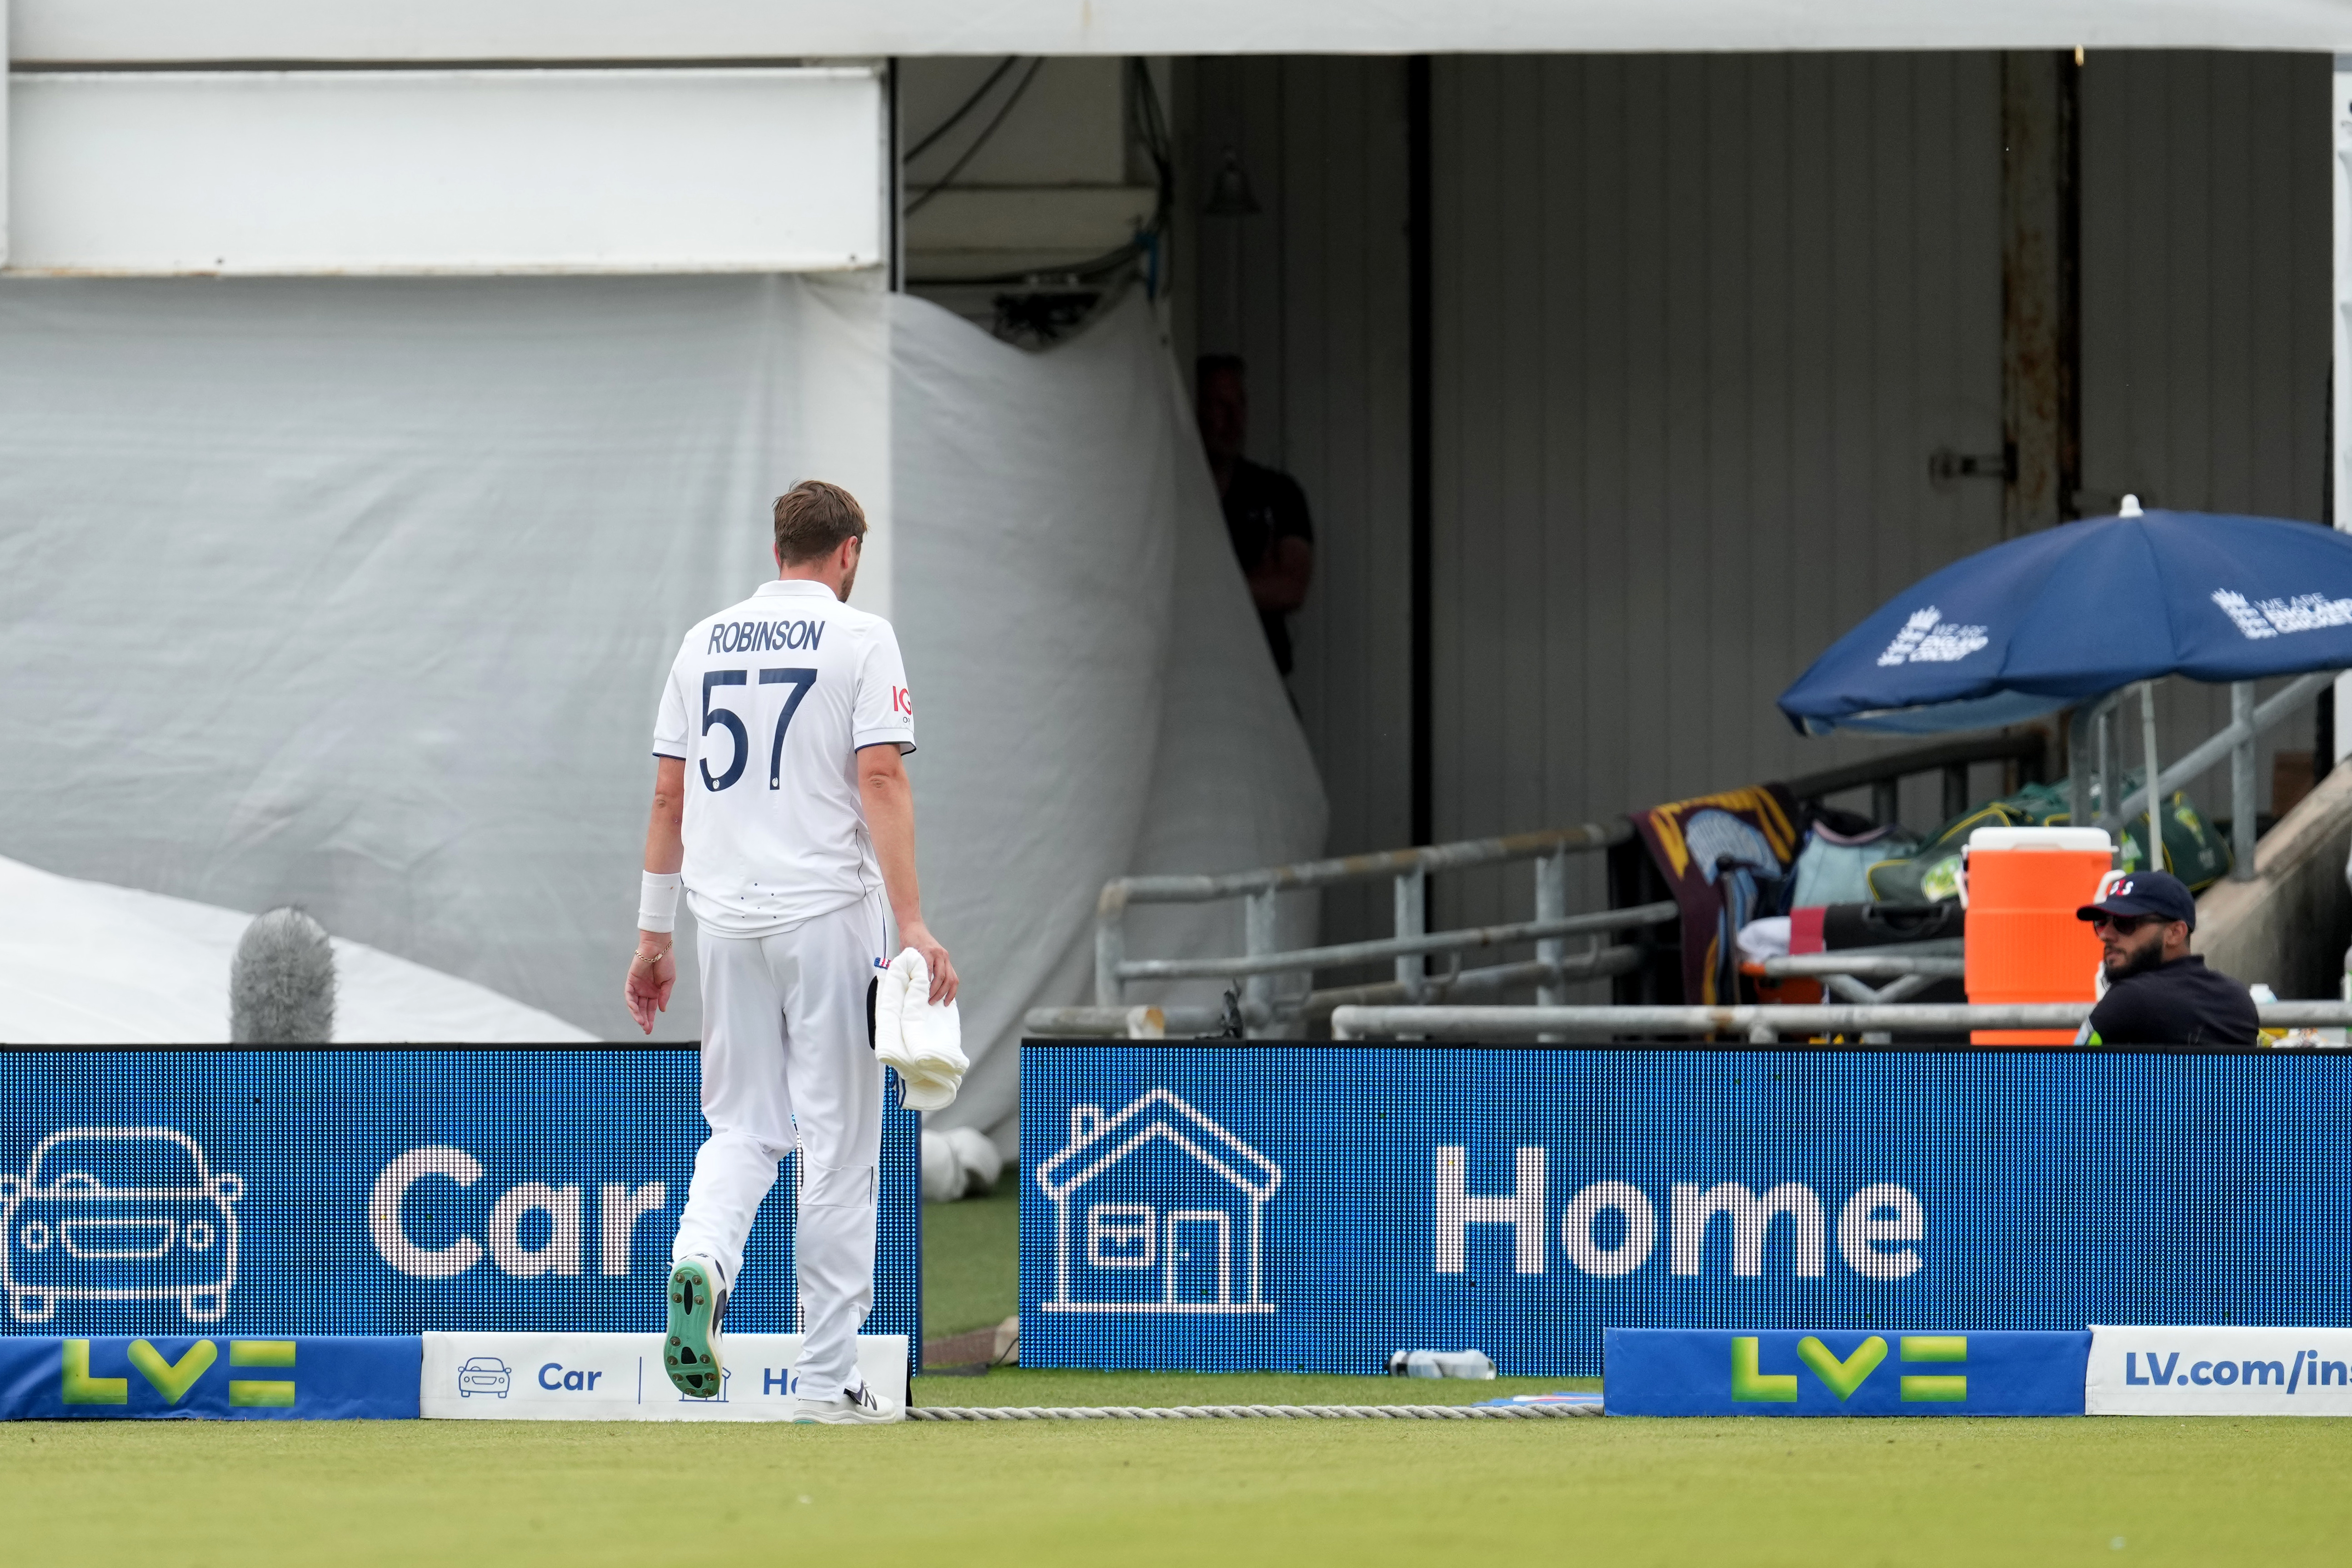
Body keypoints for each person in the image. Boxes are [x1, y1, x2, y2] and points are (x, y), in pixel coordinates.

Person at [624, 479, 958, 1425]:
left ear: (779, 548)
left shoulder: (702, 642)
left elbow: (665, 801)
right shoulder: (861, 637)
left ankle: (703, 1260)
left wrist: (655, 934)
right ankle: (826, 1382)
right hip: (824, 915)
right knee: (839, 1148)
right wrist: (914, 926)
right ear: (846, 550)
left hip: (723, 918)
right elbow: (881, 776)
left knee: (741, 1128)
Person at [1197, 355, 1314, 676]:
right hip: (1196, 685)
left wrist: (1205, 583)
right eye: (1219, 406)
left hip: (1265, 686)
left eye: (1240, 405)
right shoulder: (1174, 495)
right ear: (1194, 410)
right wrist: (1254, 581)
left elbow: (1291, 587)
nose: (1234, 420)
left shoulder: (1278, 492)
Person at [2072, 871, 2258, 1046]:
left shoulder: (2129, 999)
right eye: (2102, 923)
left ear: (2175, 933)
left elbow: (2067, 1075)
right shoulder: (2238, 998)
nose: (2106, 935)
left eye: (2125, 923)